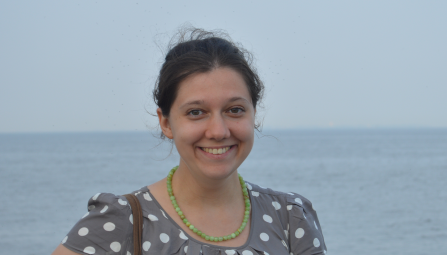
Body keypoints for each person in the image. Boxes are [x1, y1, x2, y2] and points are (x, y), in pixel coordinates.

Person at [51, 28, 327, 255]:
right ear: (166, 123)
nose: (218, 131)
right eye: (196, 112)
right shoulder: (123, 221)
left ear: (254, 115)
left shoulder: (290, 217)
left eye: (235, 110)